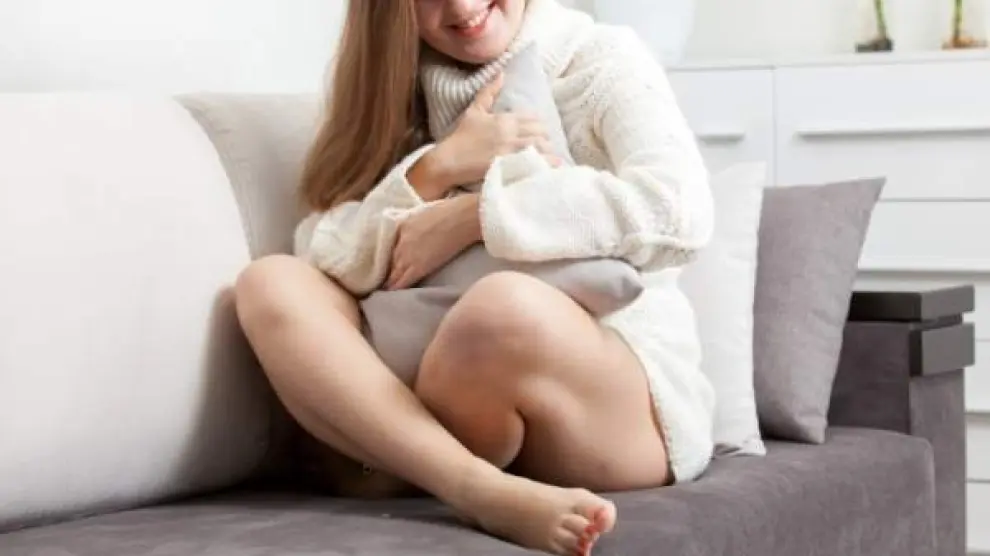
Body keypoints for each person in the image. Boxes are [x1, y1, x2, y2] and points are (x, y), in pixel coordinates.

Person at [234, 0, 716, 554]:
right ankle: (478, 488)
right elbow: (323, 249)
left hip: (613, 396)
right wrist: (436, 169)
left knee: (500, 309)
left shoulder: (601, 59)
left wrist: (474, 218)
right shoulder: (391, 87)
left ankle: (398, 460)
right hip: (442, 399)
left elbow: (678, 210)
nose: (462, 7)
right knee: (271, 283)